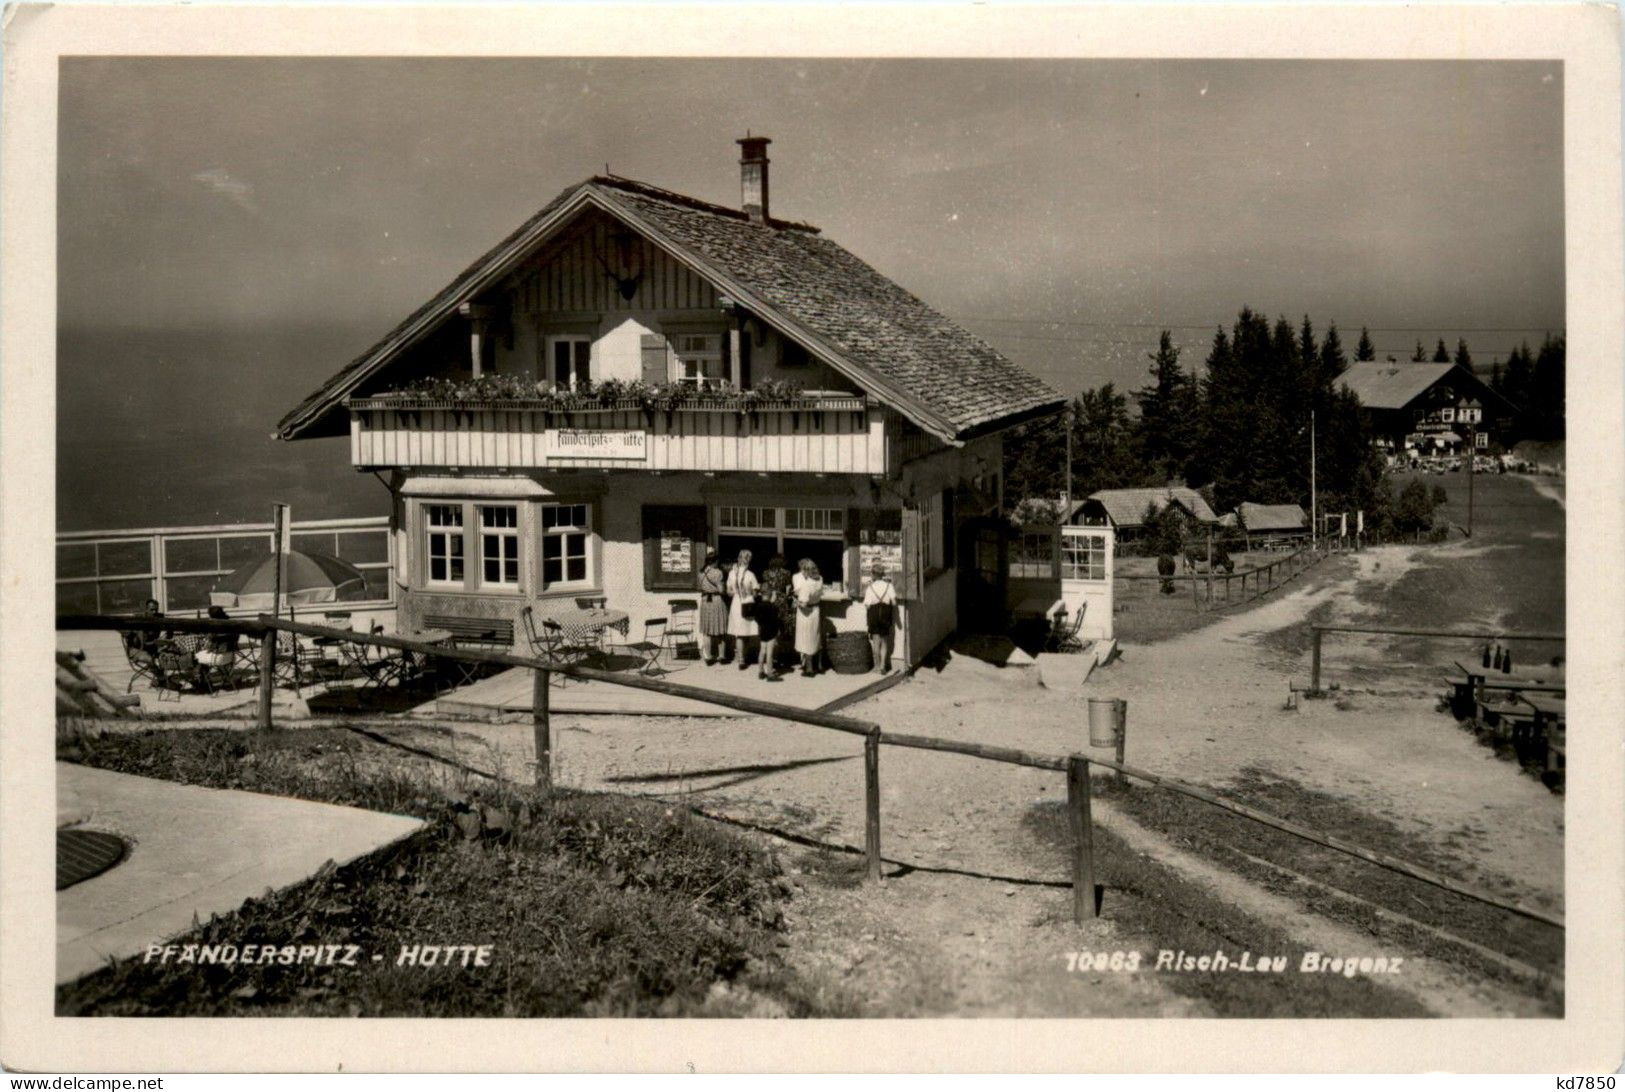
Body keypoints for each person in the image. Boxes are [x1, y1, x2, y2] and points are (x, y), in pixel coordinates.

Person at [755, 555, 791, 682]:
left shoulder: (765, 573)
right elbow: (787, 590)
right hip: (779, 602)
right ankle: (778, 659)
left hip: (767, 606)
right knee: (779, 631)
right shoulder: (786, 573)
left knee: (763, 647)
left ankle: (761, 669)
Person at [725, 550, 759, 670]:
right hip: (748, 603)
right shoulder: (750, 574)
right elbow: (755, 592)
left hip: (736, 603)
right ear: (748, 560)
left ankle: (741, 659)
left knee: (739, 633)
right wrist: (750, 594)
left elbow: (728, 592)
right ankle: (744, 657)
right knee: (746, 632)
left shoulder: (731, 573)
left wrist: (735, 592)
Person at [863, 561, 897, 674]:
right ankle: (883, 665)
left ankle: (876, 667)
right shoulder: (889, 586)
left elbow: (867, 605)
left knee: (876, 641)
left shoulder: (870, 588)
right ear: (882, 574)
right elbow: (894, 603)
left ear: (873, 574)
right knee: (885, 641)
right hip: (885, 614)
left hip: (874, 614)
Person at [791, 558, 825, 677]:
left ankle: (809, 669)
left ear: (806, 571)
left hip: (806, 612)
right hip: (816, 609)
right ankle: (819, 665)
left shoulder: (807, 585)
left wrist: (796, 603)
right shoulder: (820, 580)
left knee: (806, 638)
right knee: (816, 636)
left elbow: (803, 604)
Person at [696, 551, 729, 665]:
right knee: (721, 628)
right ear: (715, 561)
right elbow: (721, 590)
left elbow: (699, 587)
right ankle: (721, 656)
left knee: (707, 630)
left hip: (705, 601)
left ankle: (708, 656)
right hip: (716, 600)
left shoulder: (700, 573)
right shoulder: (717, 573)